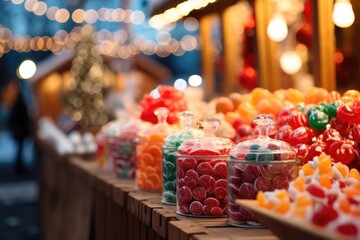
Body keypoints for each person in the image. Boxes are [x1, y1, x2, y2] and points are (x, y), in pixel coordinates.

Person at [0, 79, 31, 173]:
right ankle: (19, 166)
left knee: (20, 148)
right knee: (20, 149)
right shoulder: (20, 104)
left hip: (20, 129)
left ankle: (19, 165)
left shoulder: (18, 104)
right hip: (20, 129)